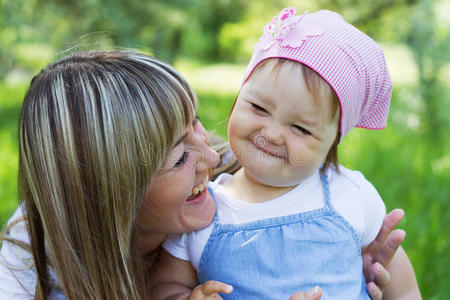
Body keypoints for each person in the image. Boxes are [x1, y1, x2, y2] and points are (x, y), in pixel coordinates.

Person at [0, 50, 404, 300]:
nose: (211, 158)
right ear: (112, 195)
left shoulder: (253, 175)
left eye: (194, 122)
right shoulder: (32, 251)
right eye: (179, 159)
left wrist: (343, 262)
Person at [151, 8, 421, 299]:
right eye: (259, 108)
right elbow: (164, 288)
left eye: (300, 129)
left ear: (332, 144)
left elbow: (403, 290)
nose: (272, 134)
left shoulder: (351, 195)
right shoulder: (203, 213)